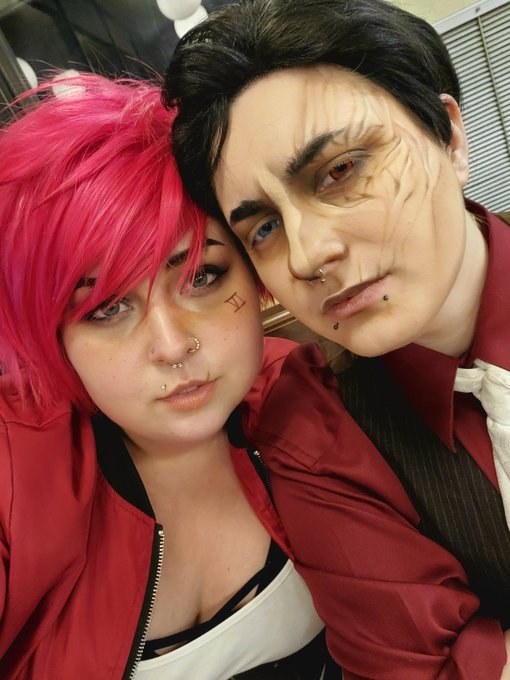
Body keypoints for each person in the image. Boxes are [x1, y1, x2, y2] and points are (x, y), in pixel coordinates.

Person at [161, 0, 510, 678]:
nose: (307, 255)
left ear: (451, 137)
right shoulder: (321, 428)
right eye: (263, 229)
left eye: (341, 171)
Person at [0, 72, 341, 679]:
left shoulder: (311, 399)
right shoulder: (15, 463)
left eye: (201, 277)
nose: (173, 346)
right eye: (106, 308)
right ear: (55, 338)